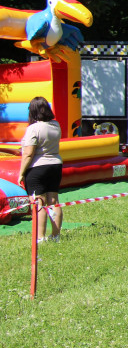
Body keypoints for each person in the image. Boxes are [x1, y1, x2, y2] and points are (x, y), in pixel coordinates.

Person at [18, 97, 63, 243]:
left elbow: (29, 153)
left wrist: (21, 173)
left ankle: (40, 237)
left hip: (37, 168)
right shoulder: (56, 125)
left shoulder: (33, 128)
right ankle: (56, 236)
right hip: (55, 165)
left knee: (39, 202)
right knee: (54, 201)